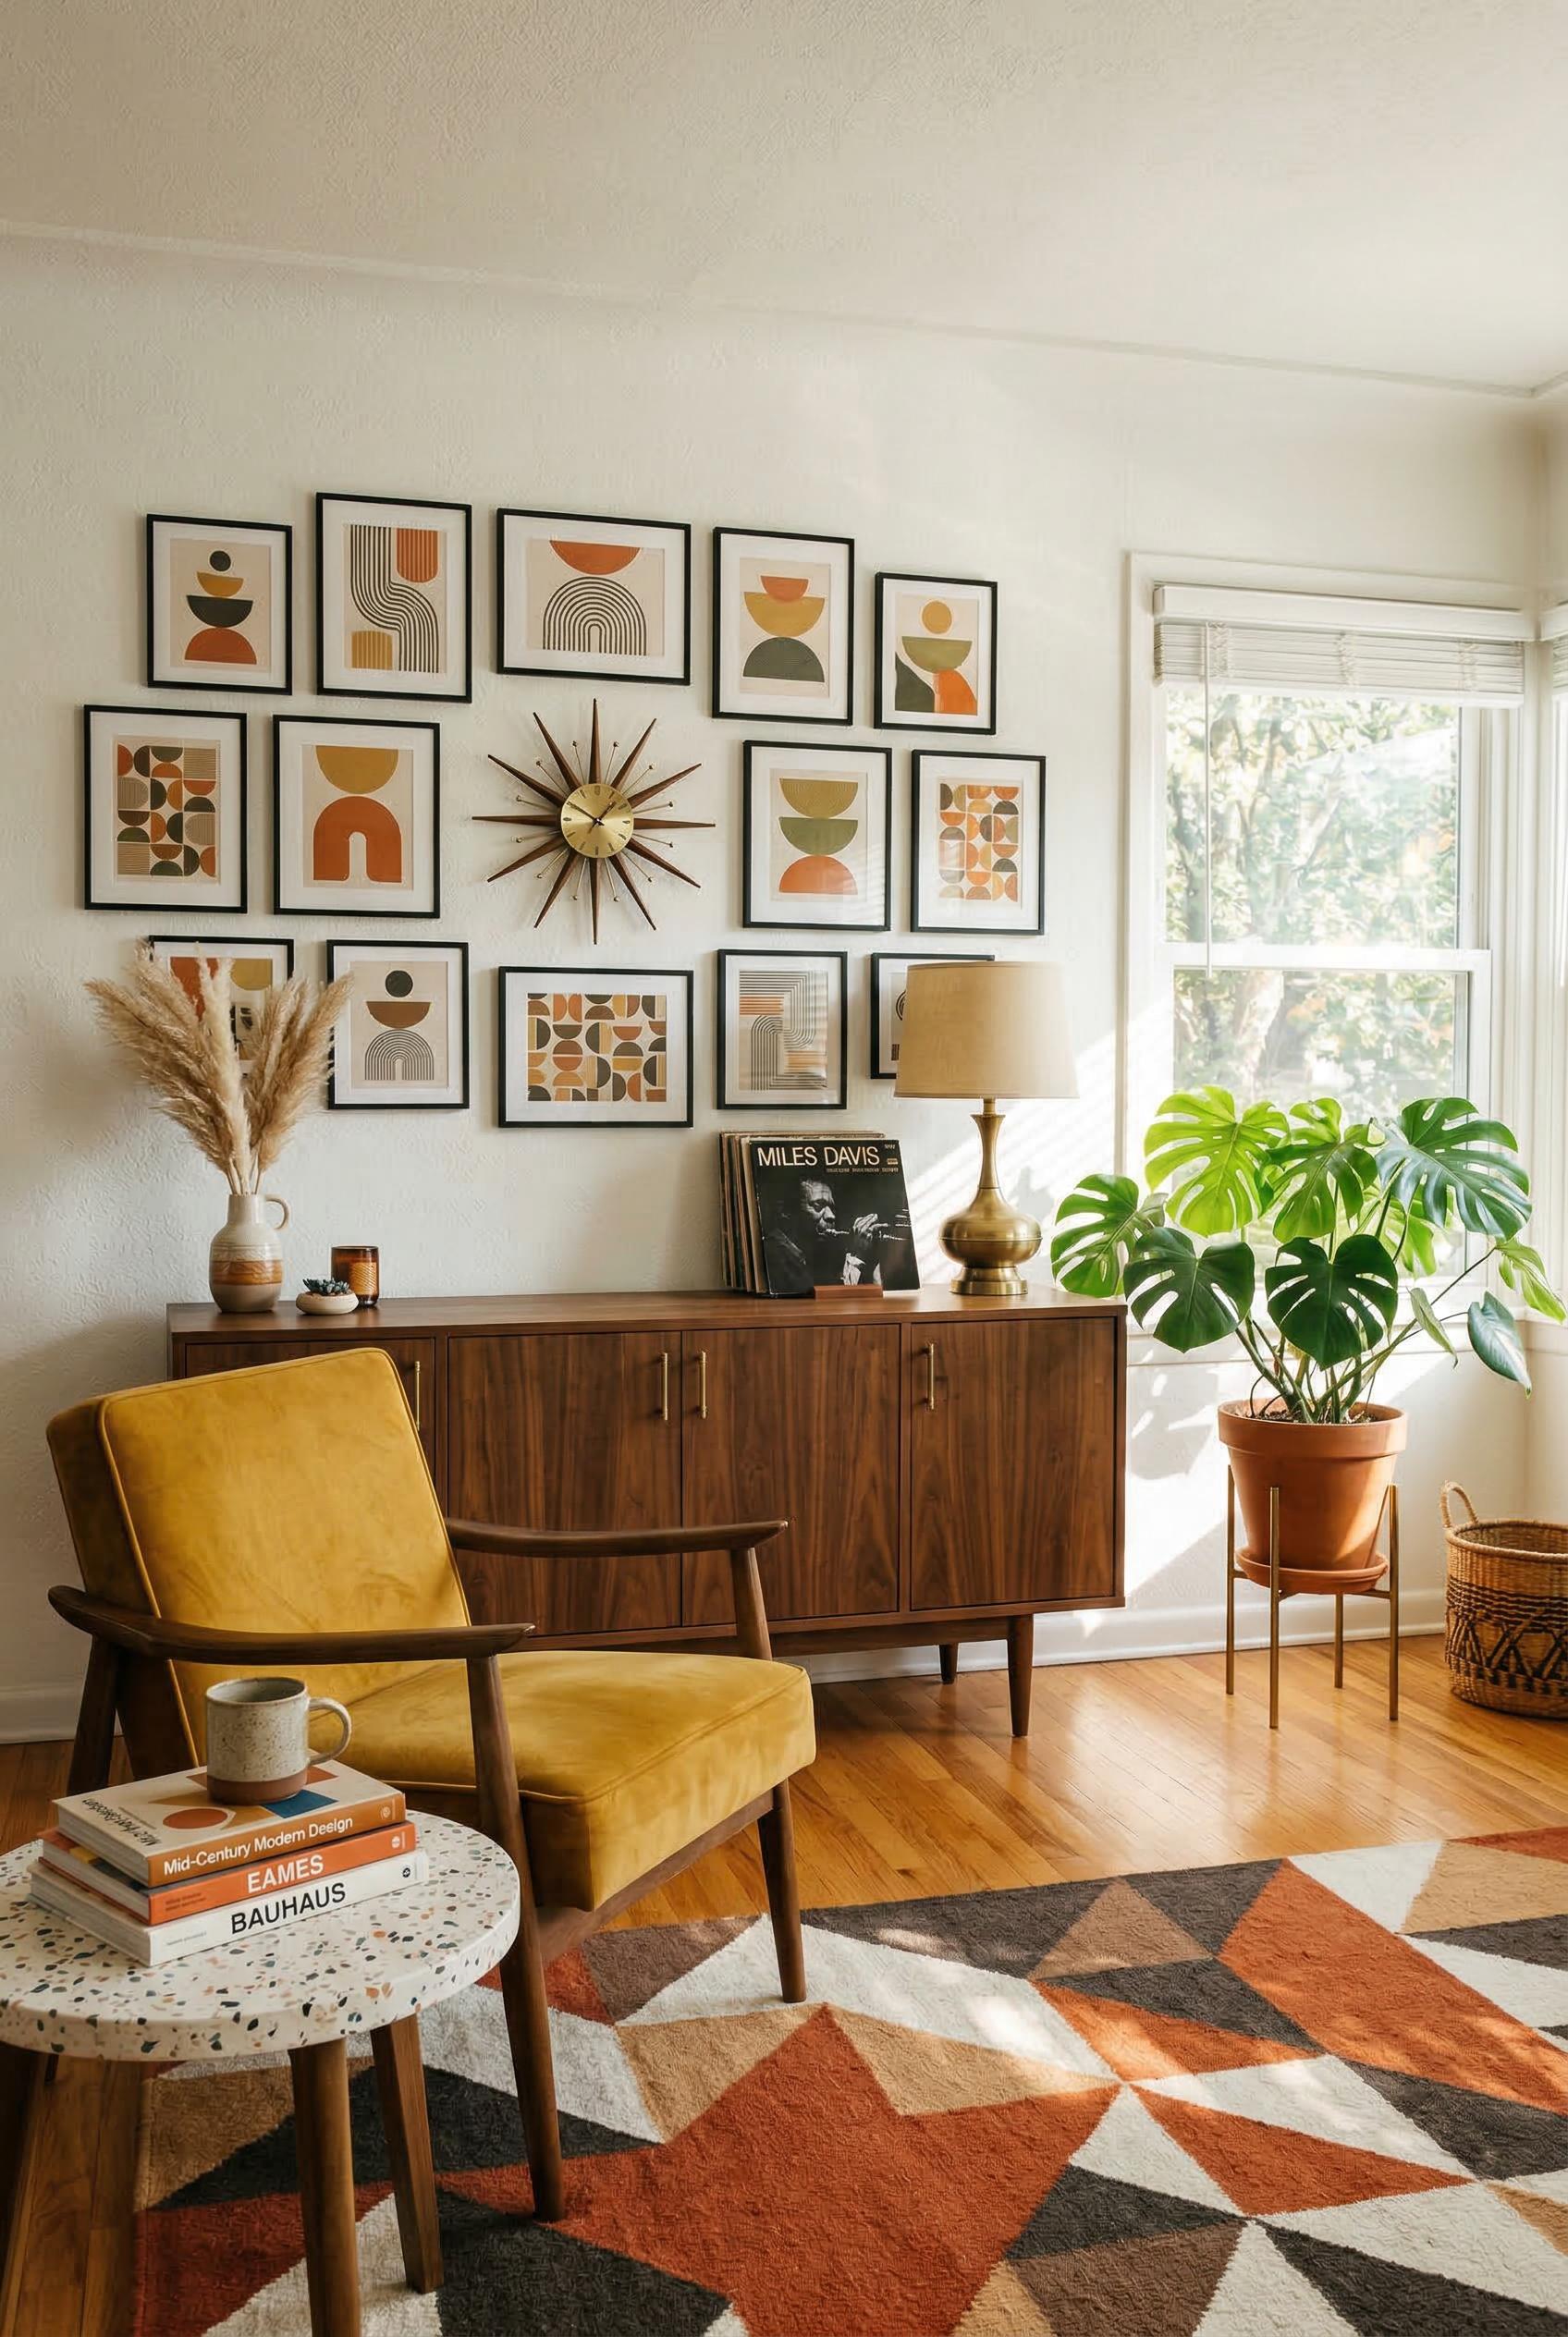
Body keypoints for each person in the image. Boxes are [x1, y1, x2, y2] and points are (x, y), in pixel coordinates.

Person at [763, 1176, 885, 1296]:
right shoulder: (771, 1256)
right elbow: (839, 1307)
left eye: (832, 1208)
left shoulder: (808, 1255)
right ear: (786, 1211)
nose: (831, 1216)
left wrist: (872, 1257)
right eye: (818, 1205)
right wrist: (857, 1256)